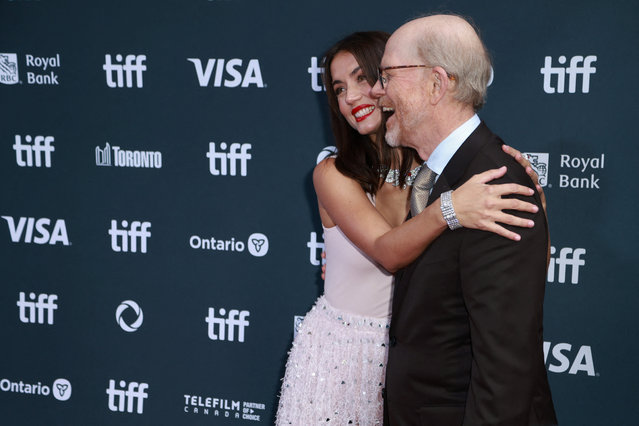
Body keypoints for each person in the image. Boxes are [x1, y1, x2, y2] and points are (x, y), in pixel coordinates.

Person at [275, 31, 545, 425]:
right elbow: (387, 250)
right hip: (342, 361)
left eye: (363, 79)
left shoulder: (437, 171)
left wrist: (528, 192)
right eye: (338, 89)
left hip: (415, 364)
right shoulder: (332, 173)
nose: (351, 97)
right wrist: (450, 208)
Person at [371, 15, 557, 425]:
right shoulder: (437, 174)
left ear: (437, 83)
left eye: (386, 76)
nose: (375, 90)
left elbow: (505, 370)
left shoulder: (497, 186)